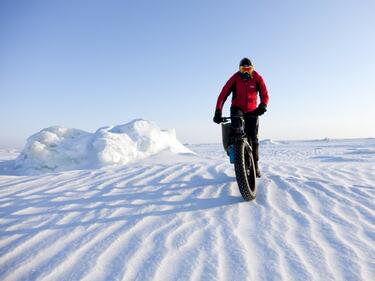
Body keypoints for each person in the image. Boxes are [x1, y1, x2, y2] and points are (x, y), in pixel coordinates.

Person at [213, 57, 269, 177]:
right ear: (240, 69)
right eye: (243, 69)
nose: (246, 72)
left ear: (252, 69)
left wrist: (263, 105)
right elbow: (222, 95)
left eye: (249, 69)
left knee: (253, 137)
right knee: (237, 131)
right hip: (237, 108)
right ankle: (237, 155)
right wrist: (218, 111)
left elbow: (264, 93)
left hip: (253, 110)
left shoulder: (257, 78)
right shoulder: (235, 78)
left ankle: (255, 165)